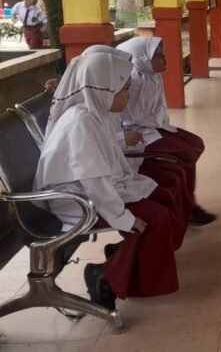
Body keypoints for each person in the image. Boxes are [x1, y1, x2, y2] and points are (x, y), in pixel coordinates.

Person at [34, 52, 183, 311]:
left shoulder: (94, 112)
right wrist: (123, 218)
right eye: (124, 90)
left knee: (160, 197)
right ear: (104, 89)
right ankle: (105, 276)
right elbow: (93, 181)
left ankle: (124, 260)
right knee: (154, 218)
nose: (128, 96)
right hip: (76, 201)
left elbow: (104, 163)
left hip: (89, 192)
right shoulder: (80, 122)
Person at [115, 37, 217, 226]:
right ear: (142, 58)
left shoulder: (152, 76)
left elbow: (158, 109)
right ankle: (189, 207)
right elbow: (129, 118)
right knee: (185, 154)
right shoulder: (132, 81)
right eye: (157, 56)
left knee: (194, 145)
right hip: (137, 136)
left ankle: (187, 201)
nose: (164, 59)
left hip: (154, 129)